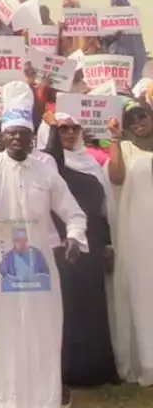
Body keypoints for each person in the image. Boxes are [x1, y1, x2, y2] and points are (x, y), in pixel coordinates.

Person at [0, 82, 87, 408]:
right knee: (1, 337)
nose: (17, 138)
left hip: (39, 273)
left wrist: (74, 237)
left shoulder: (45, 169)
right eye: (11, 133)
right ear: (2, 135)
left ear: (33, 138)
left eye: (23, 133)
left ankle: (44, 400)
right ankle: (2, 401)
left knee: (42, 337)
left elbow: (73, 213)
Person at [46, 114, 119, 388]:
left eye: (74, 128)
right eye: (62, 128)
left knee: (90, 305)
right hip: (61, 246)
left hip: (92, 245)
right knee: (63, 307)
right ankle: (63, 370)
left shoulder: (91, 164)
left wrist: (108, 244)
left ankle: (93, 369)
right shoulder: (48, 164)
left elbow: (104, 211)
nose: (68, 133)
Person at [105, 103, 153, 385]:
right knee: (142, 291)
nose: (138, 122)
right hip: (138, 231)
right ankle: (145, 359)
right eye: (131, 119)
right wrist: (114, 138)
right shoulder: (125, 149)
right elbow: (116, 177)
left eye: (143, 115)